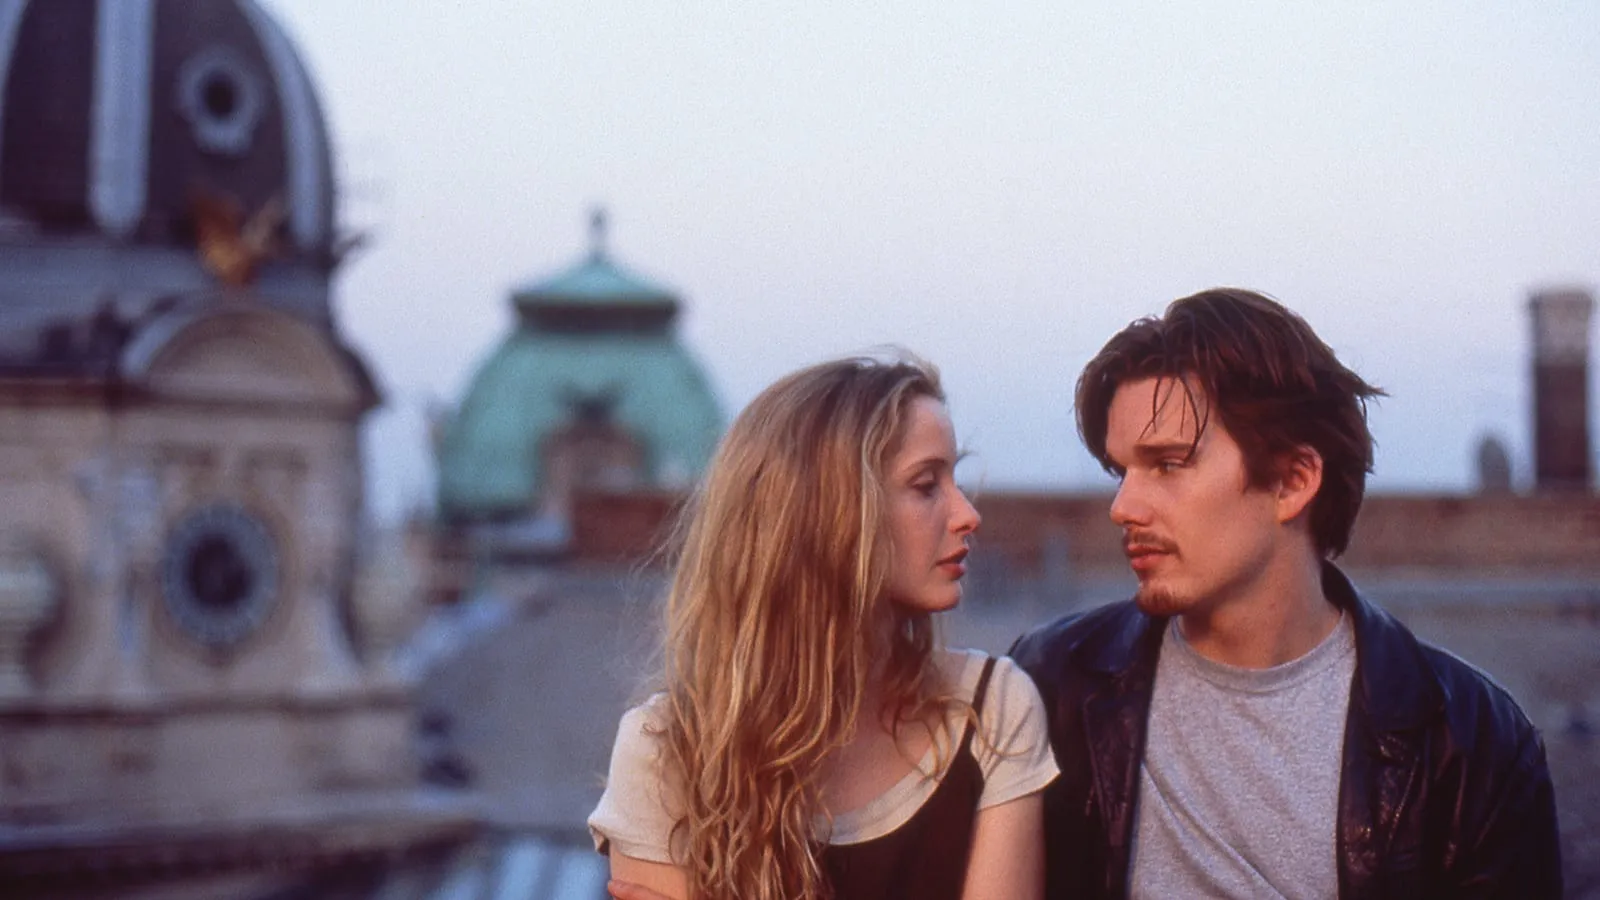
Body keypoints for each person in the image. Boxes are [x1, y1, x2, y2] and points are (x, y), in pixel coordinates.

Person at [1010, 288, 1563, 899]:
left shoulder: (1472, 742)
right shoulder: (1051, 685)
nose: (1123, 507)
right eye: (1122, 472)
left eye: (1167, 464)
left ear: (1293, 482)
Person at [591, 354, 1058, 900]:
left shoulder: (992, 710)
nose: (967, 514)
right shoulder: (665, 750)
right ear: (830, 514)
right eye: (927, 485)